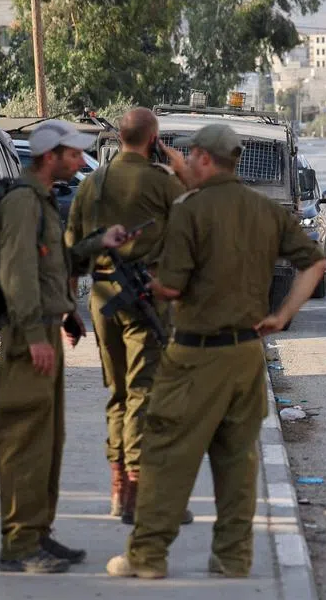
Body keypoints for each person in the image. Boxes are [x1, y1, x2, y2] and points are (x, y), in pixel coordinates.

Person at [106, 123, 326, 580]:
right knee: (237, 461)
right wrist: (282, 314)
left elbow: (170, 285)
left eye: (190, 157)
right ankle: (232, 558)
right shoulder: (265, 209)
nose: (183, 162)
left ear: (205, 158)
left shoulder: (190, 211)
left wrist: (148, 281)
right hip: (247, 354)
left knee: (167, 455)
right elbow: (315, 263)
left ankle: (147, 556)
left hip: (194, 355)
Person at [0, 119, 134, 573]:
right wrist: (37, 335)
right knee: (25, 443)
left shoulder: (42, 201)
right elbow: (16, 276)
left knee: (47, 442)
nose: (79, 161)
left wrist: (98, 244)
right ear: (49, 157)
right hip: (26, 338)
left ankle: (38, 533)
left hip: (45, 329)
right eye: (72, 154)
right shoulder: (21, 203)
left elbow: (54, 265)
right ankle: (19, 543)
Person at [65, 107, 192, 525]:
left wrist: (70, 309)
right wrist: (172, 158)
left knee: (119, 394)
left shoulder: (94, 183)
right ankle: (141, 494)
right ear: (153, 138)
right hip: (146, 298)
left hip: (102, 297)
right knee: (145, 393)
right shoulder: (162, 182)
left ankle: (120, 491)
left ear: (119, 137)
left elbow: (72, 249)